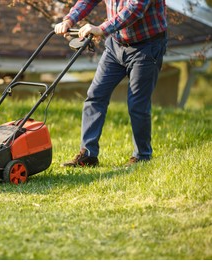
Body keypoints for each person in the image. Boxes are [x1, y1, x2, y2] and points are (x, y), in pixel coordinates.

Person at [54, 0, 167, 167]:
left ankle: (142, 156)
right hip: (116, 46)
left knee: (137, 104)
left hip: (147, 47)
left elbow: (135, 9)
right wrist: (70, 19)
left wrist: (101, 29)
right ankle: (88, 155)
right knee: (95, 95)